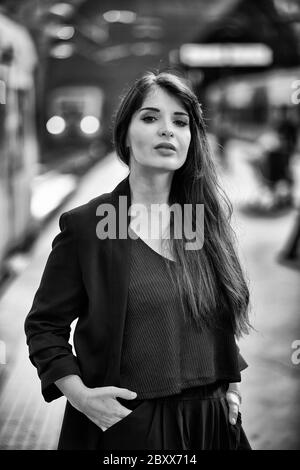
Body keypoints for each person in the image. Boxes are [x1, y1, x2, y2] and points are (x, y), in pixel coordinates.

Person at [24, 71, 252, 450]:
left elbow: (213, 318)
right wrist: (80, 395)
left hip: (211, 423)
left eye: (180, 122)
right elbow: (44, 326)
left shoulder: (199, 221)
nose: (168, 130)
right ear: (124, 136)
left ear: (191, 139)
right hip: (130, 428)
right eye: (150, 118)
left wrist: (231, 383)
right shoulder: (92, 226)